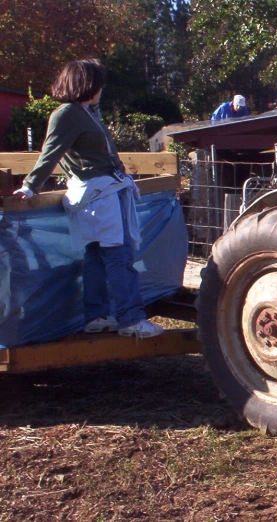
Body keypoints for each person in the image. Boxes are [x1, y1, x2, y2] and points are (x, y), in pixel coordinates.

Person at [13, 59, 164, 338]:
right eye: (98, 83)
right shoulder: (67, 114)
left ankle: (98, 316)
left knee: (97, 257)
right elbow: (51, 153)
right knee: (118, 258)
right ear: (86, 84)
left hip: (104, 193)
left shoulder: (85, 113)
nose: (101, 89)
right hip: (99, 196)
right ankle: (130, 319)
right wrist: (30, 186)